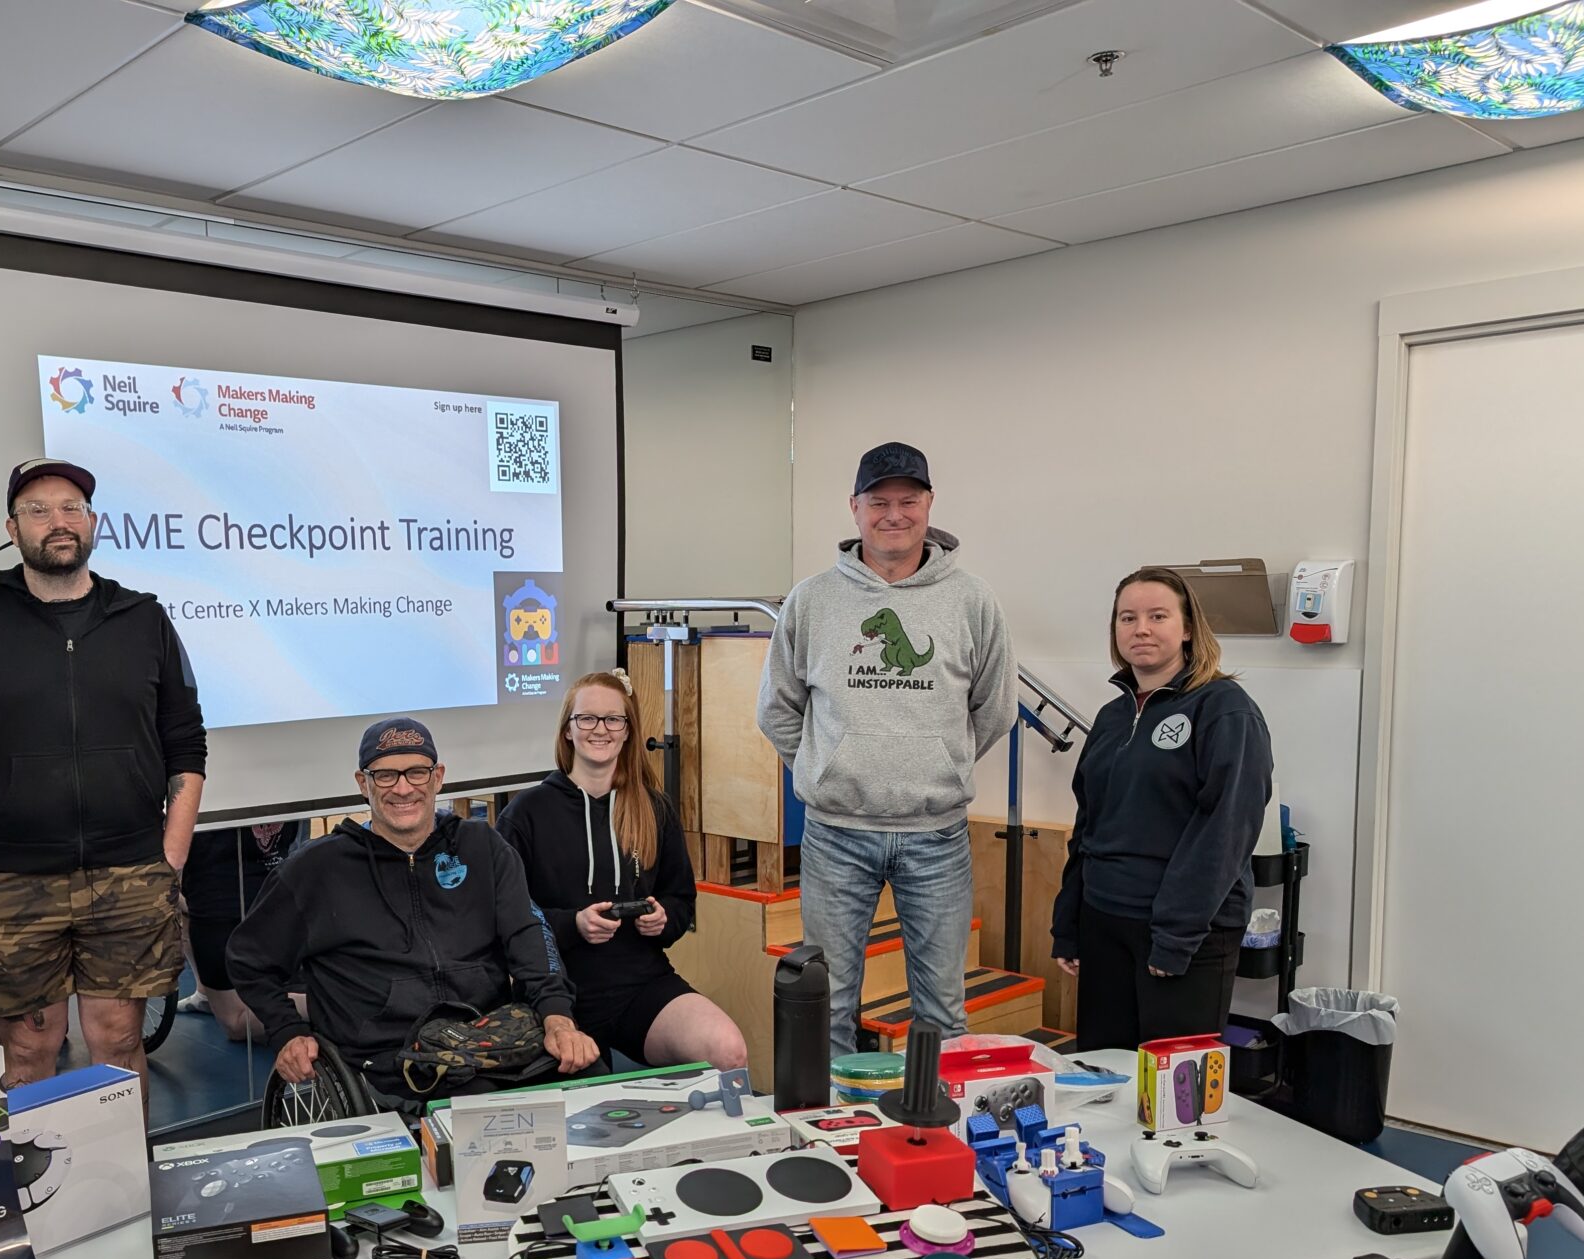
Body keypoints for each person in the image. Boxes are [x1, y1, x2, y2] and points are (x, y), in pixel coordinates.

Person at [0, 458, 207, 1096]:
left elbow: (186, 744)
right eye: (38, 510)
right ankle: (32, 1194)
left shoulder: (144, 620)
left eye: (72, 507)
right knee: (25, 1048)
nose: (58, 522)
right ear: (12, 530)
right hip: (7, 882)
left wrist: (170, 857)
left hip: (129, 876)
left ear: (93, 522)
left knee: (119, 1043)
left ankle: (125, 1195)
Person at [758, 442, 1016, 1057]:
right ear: (855, 508)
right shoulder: (813, 599)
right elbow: (777, 709)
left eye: (908, 501)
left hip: (938, 837)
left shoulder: (973, 600)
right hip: (836, 835)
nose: (893, 514)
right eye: (879, 502)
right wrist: (826, 766)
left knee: (942, 1011)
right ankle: (834, 1135)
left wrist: (937, 761)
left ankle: (936, 1134)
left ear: (929, 506)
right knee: (828, 1002)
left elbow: (995, 708)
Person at [226, 717, 598, 1104]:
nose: (403, 788)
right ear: (362, 783)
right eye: (385, 776)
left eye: (417, 773)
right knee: (483, 1111)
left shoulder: (482, 847)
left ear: (437, 777)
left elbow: (528, 932)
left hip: (487, 1038)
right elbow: (249, 959)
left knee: (589, 1076)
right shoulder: (316, 869)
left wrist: (556, 1015)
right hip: (389, 1058)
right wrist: (287, 1031)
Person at [1050, 567, 1273, 1051]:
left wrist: (1176, 935)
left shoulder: (1224, 710)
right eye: (1127, 618)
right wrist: (1069, 921)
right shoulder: (1112, 717)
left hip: (1183, 934)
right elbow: (1088, 824)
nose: (1141, 628)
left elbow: (1225, 830)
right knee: (1103, 1076)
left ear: (1188, 627)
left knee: (1174, 1098)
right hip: (1105, 919)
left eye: (1157, 616)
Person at [498, 670, 746, 1071]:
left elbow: (681, 901)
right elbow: (506, 921)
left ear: (628, 731)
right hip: (555, 997)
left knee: (727, 1050)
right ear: (567, 730)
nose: (602, 729)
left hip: (642, 984)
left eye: (614, 719)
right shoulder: (524, 815)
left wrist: (663, 919)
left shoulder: (655, 808)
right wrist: (573, 924)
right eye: (588, 719)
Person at [177, 820, 307, 1041]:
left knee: (236, 1022)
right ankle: (205, 991)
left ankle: (335, 1001)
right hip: (273, 886)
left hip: (224, 899)